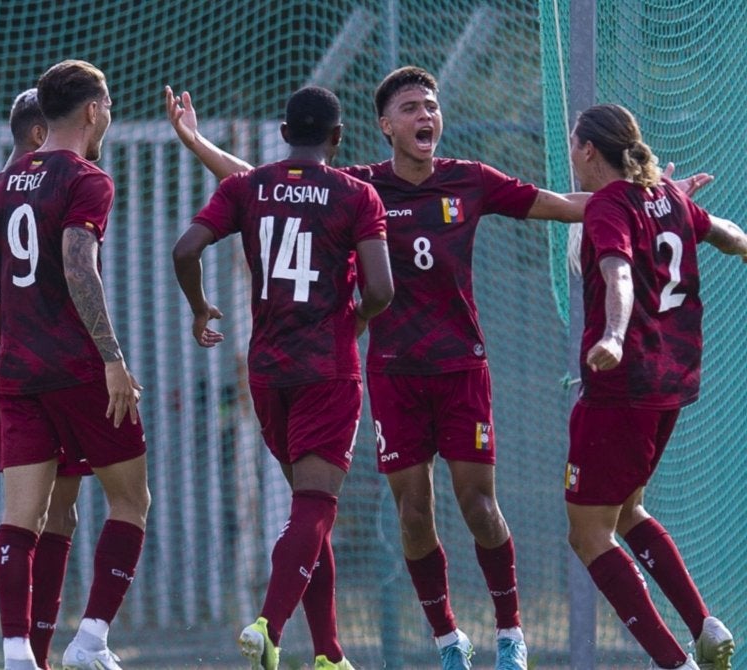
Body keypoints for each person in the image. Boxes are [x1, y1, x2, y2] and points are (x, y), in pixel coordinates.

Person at [164, 67, 707, 670]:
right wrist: (196, 142)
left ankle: (510, 635)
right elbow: (265, 187)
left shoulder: (470, 181)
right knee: (414, 515)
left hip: (461, 370)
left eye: (431, 105)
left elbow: (560, 205)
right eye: (411, 107)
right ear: (384, 125)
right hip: (393, 376)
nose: (426, 115)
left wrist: (650, 200)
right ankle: (450, 640)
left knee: (479, 509)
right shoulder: (360, 187)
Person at [172, 85, 393, 670]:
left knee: (308, 509)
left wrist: (199, 307)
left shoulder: (249, 188)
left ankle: (329, 654)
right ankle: (269, 625)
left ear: (283, 134)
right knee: (316, 505)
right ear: (339, 138)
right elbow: (381, 290)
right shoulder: (358, 195)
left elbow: (185, 248)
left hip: (267, 372)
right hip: (327, 368)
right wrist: (357, 321)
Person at [0, 60, 151, 670]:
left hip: (14, 374)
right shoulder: (87, 178)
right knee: (131, 502)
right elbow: (79, 265)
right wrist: (113, 359)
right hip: (76, 369)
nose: (110, 117)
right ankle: (91, 639)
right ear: (94, 110)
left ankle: (17, 653)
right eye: (110, 107)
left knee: (23, 519)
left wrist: (15, 338)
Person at [565, 103, 744, 670]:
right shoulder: (664, 194)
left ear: (589, 150)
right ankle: (704, 625)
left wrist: (613, 336)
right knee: (627, 512)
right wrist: (686, 204)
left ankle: (675, 663)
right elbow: (731, 237)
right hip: (673, 382)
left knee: (588, 535)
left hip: (623, 386)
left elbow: (617, 273)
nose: (571, 154)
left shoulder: (609, 206)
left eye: (573, 144)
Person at [0, 88, 93, 670]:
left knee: (49, 510)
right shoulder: (48, 188)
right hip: (32, 369)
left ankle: (28, 647)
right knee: (47, 512)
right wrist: (24, 341)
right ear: (40, 135)